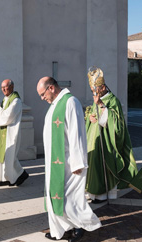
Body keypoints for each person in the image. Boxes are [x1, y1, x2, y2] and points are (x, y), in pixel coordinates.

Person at [37, 76, 101, 242]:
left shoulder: (70, 102)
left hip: (69, 162)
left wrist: (77, 161)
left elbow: (76, 133)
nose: (42, 98)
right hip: (54, 162)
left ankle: (80, 226)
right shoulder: (55, 105)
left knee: (71, 199)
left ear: (51, 88)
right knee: (55, 197)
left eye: (43, 94)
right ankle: (61, 229)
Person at [85, 67, 138, 203]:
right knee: (93, 165)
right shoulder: (97, 98)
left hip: (107, 141)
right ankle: (93, 193)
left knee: (103, 165)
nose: (94, 92)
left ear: (102, 87)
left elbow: (117, 123)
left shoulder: (113, 100)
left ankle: (103, 194)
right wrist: (90, 117)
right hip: (94, 139)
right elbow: (93, 115)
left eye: (95, 89)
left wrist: (102, 106)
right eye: (92, 90)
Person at [0, 79, 28, 186]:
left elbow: (8, 116)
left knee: (10, 156)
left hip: (11, 131)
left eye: (5, 87)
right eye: (2, 87)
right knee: (4, 156)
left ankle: (20, 174)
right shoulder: (5, 99)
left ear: (12, 87)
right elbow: (2, 114)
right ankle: (4, 178)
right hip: (3, 131)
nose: (3, 89)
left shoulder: (16, 100)